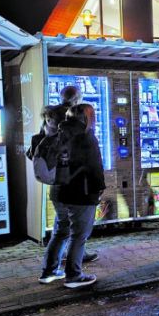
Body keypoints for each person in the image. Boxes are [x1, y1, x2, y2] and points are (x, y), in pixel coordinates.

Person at [39, 103, 106, 288]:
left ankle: (48, 272)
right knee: (79, 235)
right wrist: (99, 190)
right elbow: (95, 168)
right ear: (88, 118)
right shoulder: (86, 136)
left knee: (61, 232)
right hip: (81, 192)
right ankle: (74, 276)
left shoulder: (59, 132)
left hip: (59, 191)